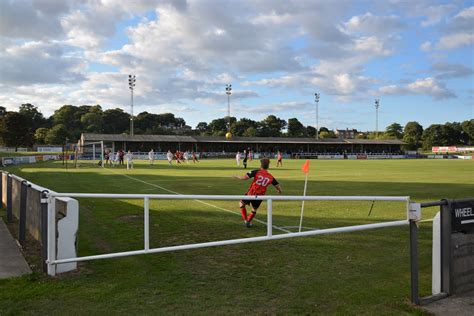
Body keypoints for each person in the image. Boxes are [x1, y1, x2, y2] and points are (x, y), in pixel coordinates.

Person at [233, 158, 282, 227]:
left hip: (251, 193)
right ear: (268, 166)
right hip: (260, 196)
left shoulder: (256, 172)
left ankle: (245, 220)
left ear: (261, 165)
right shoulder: (270, 176)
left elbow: (244, 178)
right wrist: (279, 191)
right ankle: (249, 221)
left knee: (241, 204)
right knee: (254, 209)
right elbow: (278, 186)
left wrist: (237, 176)